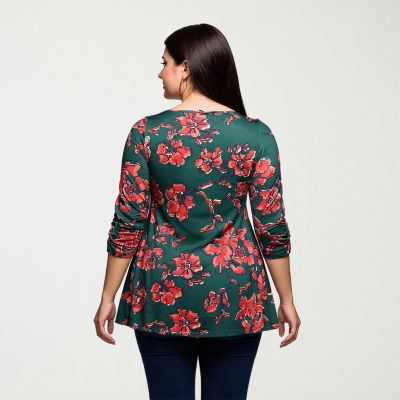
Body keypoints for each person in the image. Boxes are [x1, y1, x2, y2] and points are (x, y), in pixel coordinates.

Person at [94, 23, 301, 400]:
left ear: (186, 68)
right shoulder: (257, 135)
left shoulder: (146, 133)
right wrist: (285, 300)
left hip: (161, 292)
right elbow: (271, 225)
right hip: (236, 294)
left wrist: (108, 296)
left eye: (165, 63)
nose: (160, 73)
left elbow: (129, 221)